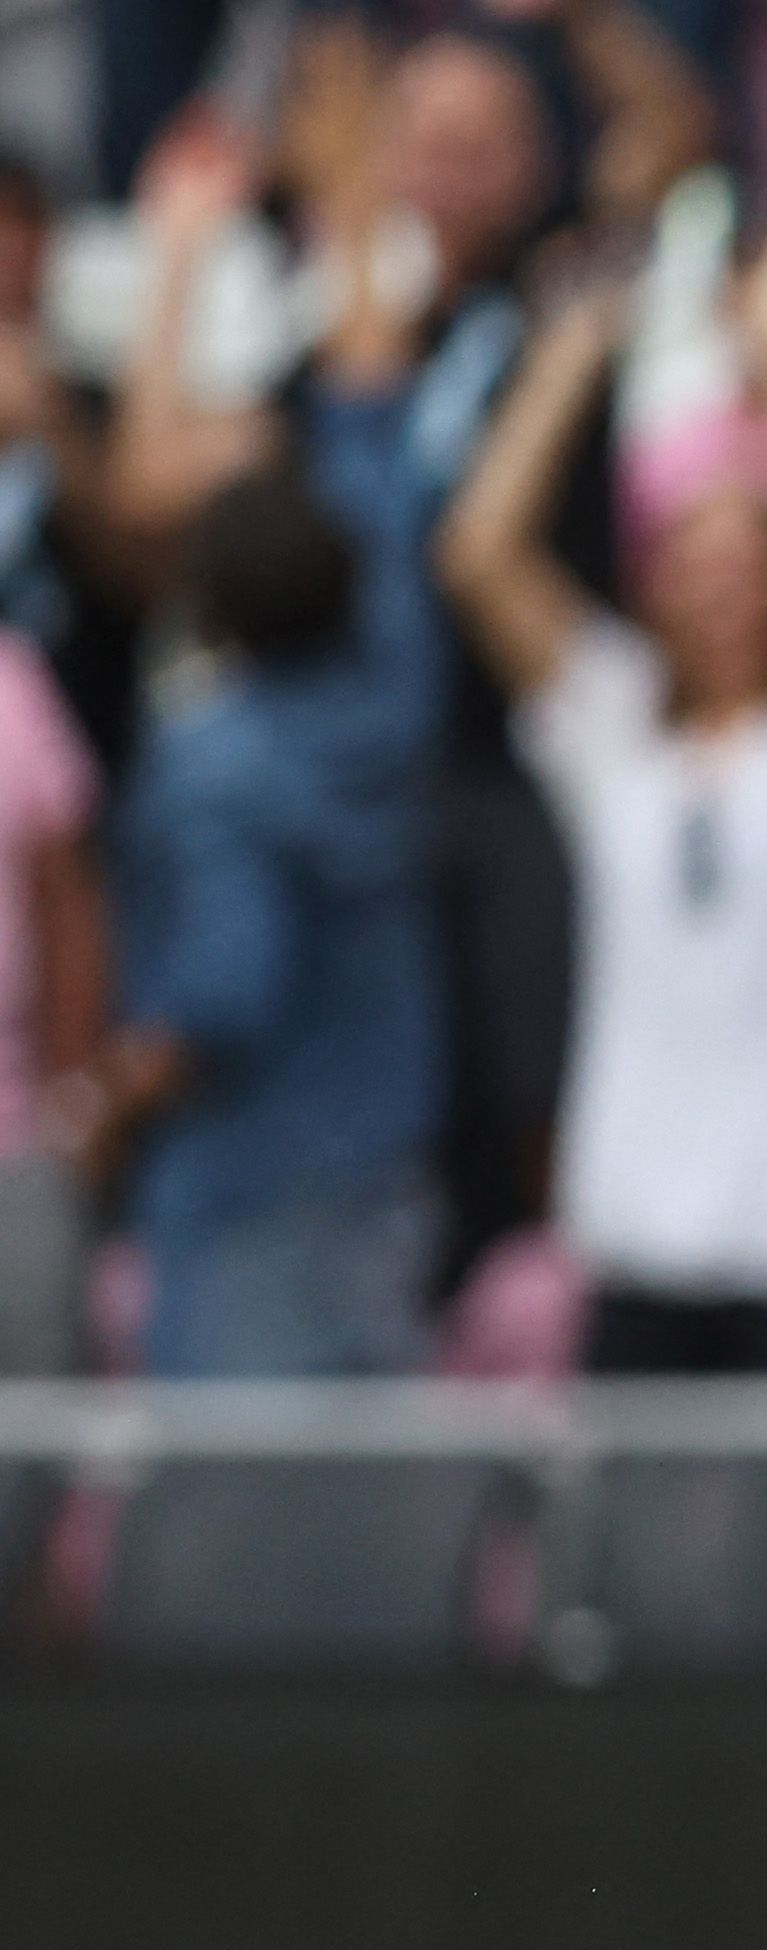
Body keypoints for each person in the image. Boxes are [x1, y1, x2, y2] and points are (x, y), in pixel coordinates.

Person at [439, 269, 767, 1374]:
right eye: (693, 567)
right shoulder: (616, 730)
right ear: (654, 587)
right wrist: (574, 352)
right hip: (641, 1217)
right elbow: (479, 552)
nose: (723, 596)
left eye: (750, 569)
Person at [102, 207, 444, 1378]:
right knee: (375, 1541)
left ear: (208, 607)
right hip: (385, 1178)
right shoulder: (394, 696)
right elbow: (377, 466)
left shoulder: (215, 767)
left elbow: (223, 994)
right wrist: (355, 213)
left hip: (253, 1202)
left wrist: (107, 1094)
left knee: (246, 1545)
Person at [0, 621, 98, 1375]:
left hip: (16, 1139)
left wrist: (70, 1104)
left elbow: (66, 906)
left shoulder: (12, 682)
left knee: (30, 1444)